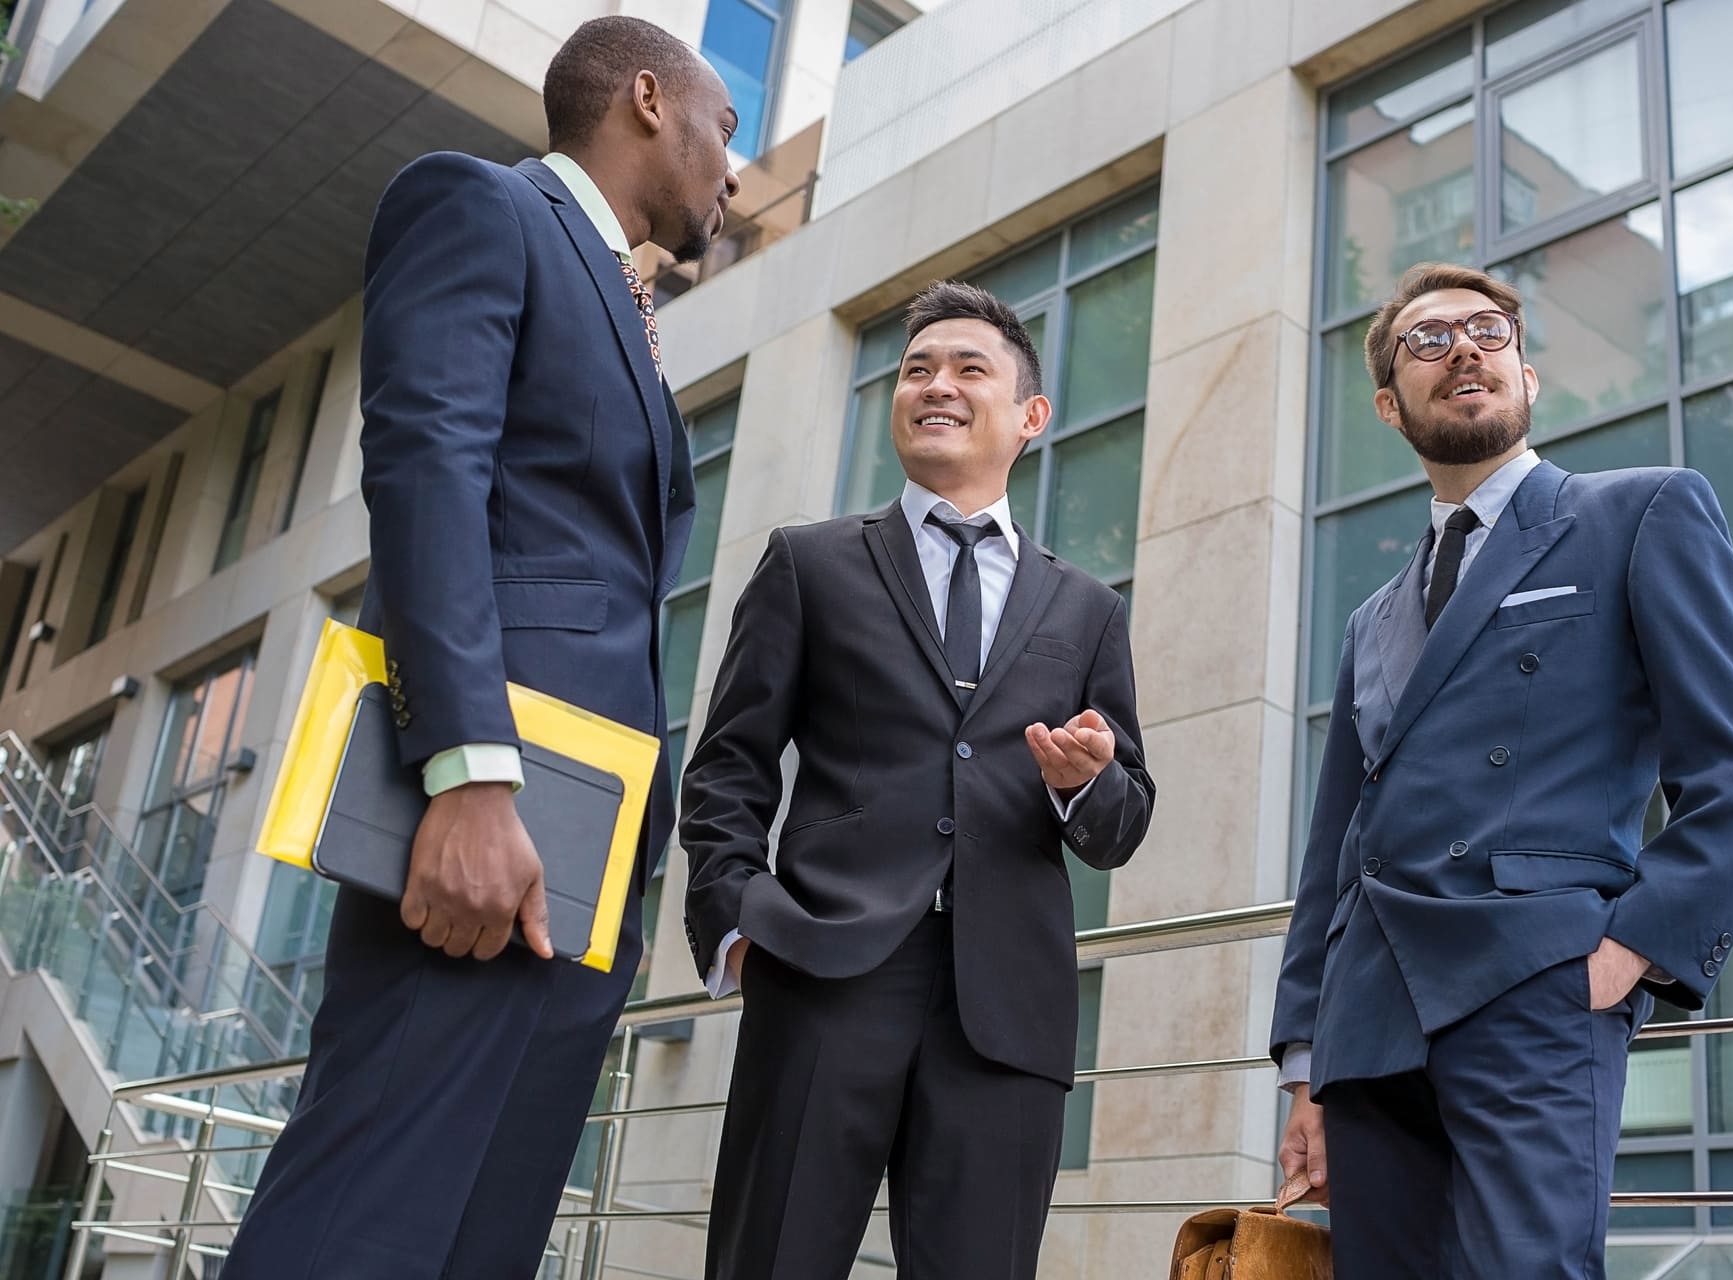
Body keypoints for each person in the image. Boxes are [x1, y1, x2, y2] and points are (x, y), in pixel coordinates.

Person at [222, 19, 739, 1278]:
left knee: (481, 1233)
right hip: (489, 821)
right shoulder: (479, 207)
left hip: (585, 858)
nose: (737, 174)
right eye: (731, 133)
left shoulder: (628, 302)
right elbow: (426, 473)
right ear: (650, 100)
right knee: (368, 1211)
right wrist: (469, 768)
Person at [1269, 262, 1733, 1278]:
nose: (1463, 347)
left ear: (1527, 373)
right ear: (1390, 403)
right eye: (1428, 340)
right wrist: (1306, 1066)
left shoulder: (1643, 512)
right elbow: (1336, 846)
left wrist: (1626, 952)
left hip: (1535, 989)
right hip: (1372, 1028)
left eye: (1488, 330)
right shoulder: (1372, 617)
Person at [680, 281, 1155, 1279]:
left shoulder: (1086, 608)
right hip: (822, 976)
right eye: (917, 369)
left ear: (1030, 416)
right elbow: (729, 759)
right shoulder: (809, 564)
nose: (936, 384)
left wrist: (1084, 782)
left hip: (1006, 1011)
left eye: (967, 368)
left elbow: (1122, 820)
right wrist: (736, 918)